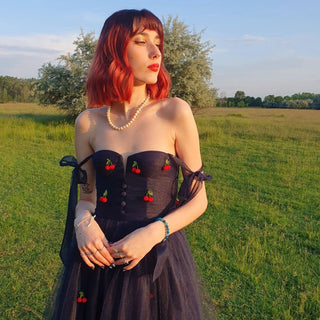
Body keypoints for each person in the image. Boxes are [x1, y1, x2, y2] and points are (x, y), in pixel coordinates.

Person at [53, 8, 212, 320]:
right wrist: (82, 225)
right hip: (99, 254)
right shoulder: (88, 122)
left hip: (155, 256)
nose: (156, 52)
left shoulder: (174, 112)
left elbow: (199, 200)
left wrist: (153, 234)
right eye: (142, 42)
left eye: (158, 43)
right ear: (115, 50)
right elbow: (87, 198)